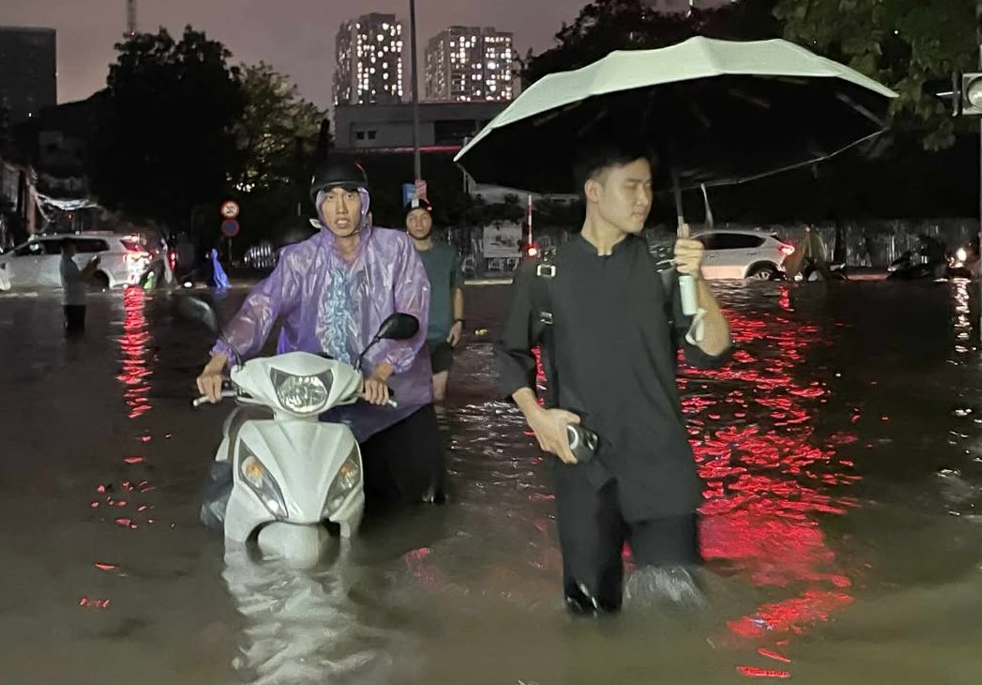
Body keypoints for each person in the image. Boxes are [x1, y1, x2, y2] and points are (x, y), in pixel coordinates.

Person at [494, 143, 733, 615]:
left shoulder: (666, 269)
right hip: (584, 468)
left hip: (661, 466)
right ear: (594, 192)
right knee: (588, 615)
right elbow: (511, 354)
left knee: (677, 614)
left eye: (648, 187)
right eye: (632, 187)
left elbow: (712, 353)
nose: (644, 198)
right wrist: (536, 415)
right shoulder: (544, 272)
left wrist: (698, 280)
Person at [196, 159, 443, 506]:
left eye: (350, 196)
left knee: (424, 504)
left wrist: (381, 373)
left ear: (365, 202)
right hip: (319, 405)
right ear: (318, 206)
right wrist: (218, 360)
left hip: (393, 402)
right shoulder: (300, 258)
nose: (340, 208)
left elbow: (412, 313)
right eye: (329, 197)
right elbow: (261, 309)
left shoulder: (396, 249)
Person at [404, 199, 465, 402]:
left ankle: (441, 433)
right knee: (411, 397)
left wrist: (458, 322)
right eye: (412, 218)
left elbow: (456, 289)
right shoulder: (397, 256)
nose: (418, 223)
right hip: (408, 337)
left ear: (431, 221)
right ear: (406, 223)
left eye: (423, 218)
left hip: (442, 336)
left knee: (439, 396)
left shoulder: (448, 254)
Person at [60, 247, 99, 334]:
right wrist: (91, 267)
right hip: (74, 303)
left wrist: (90, 267)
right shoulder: (67, 265)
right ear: (66, 249)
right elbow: (82, 277)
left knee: (76, 331)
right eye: (72, 248)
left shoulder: (69, 263)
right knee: (75, 331)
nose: (74, 250)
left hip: (76, 302)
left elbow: (79, 275)